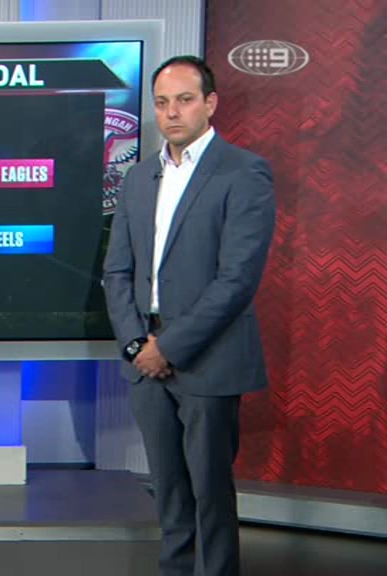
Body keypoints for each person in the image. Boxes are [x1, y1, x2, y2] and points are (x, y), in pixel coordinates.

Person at [102, 55, 276, 576]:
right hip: (145, 358)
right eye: (161, 103)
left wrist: (169, 348)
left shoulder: (243, 172)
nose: (171, 113)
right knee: (168, 489)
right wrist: (138, 345)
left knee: (210, 492)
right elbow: (117, 272)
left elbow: (237, 280)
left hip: (208, 358)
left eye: (184, 100)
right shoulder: (138, 178)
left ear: (209, 103)